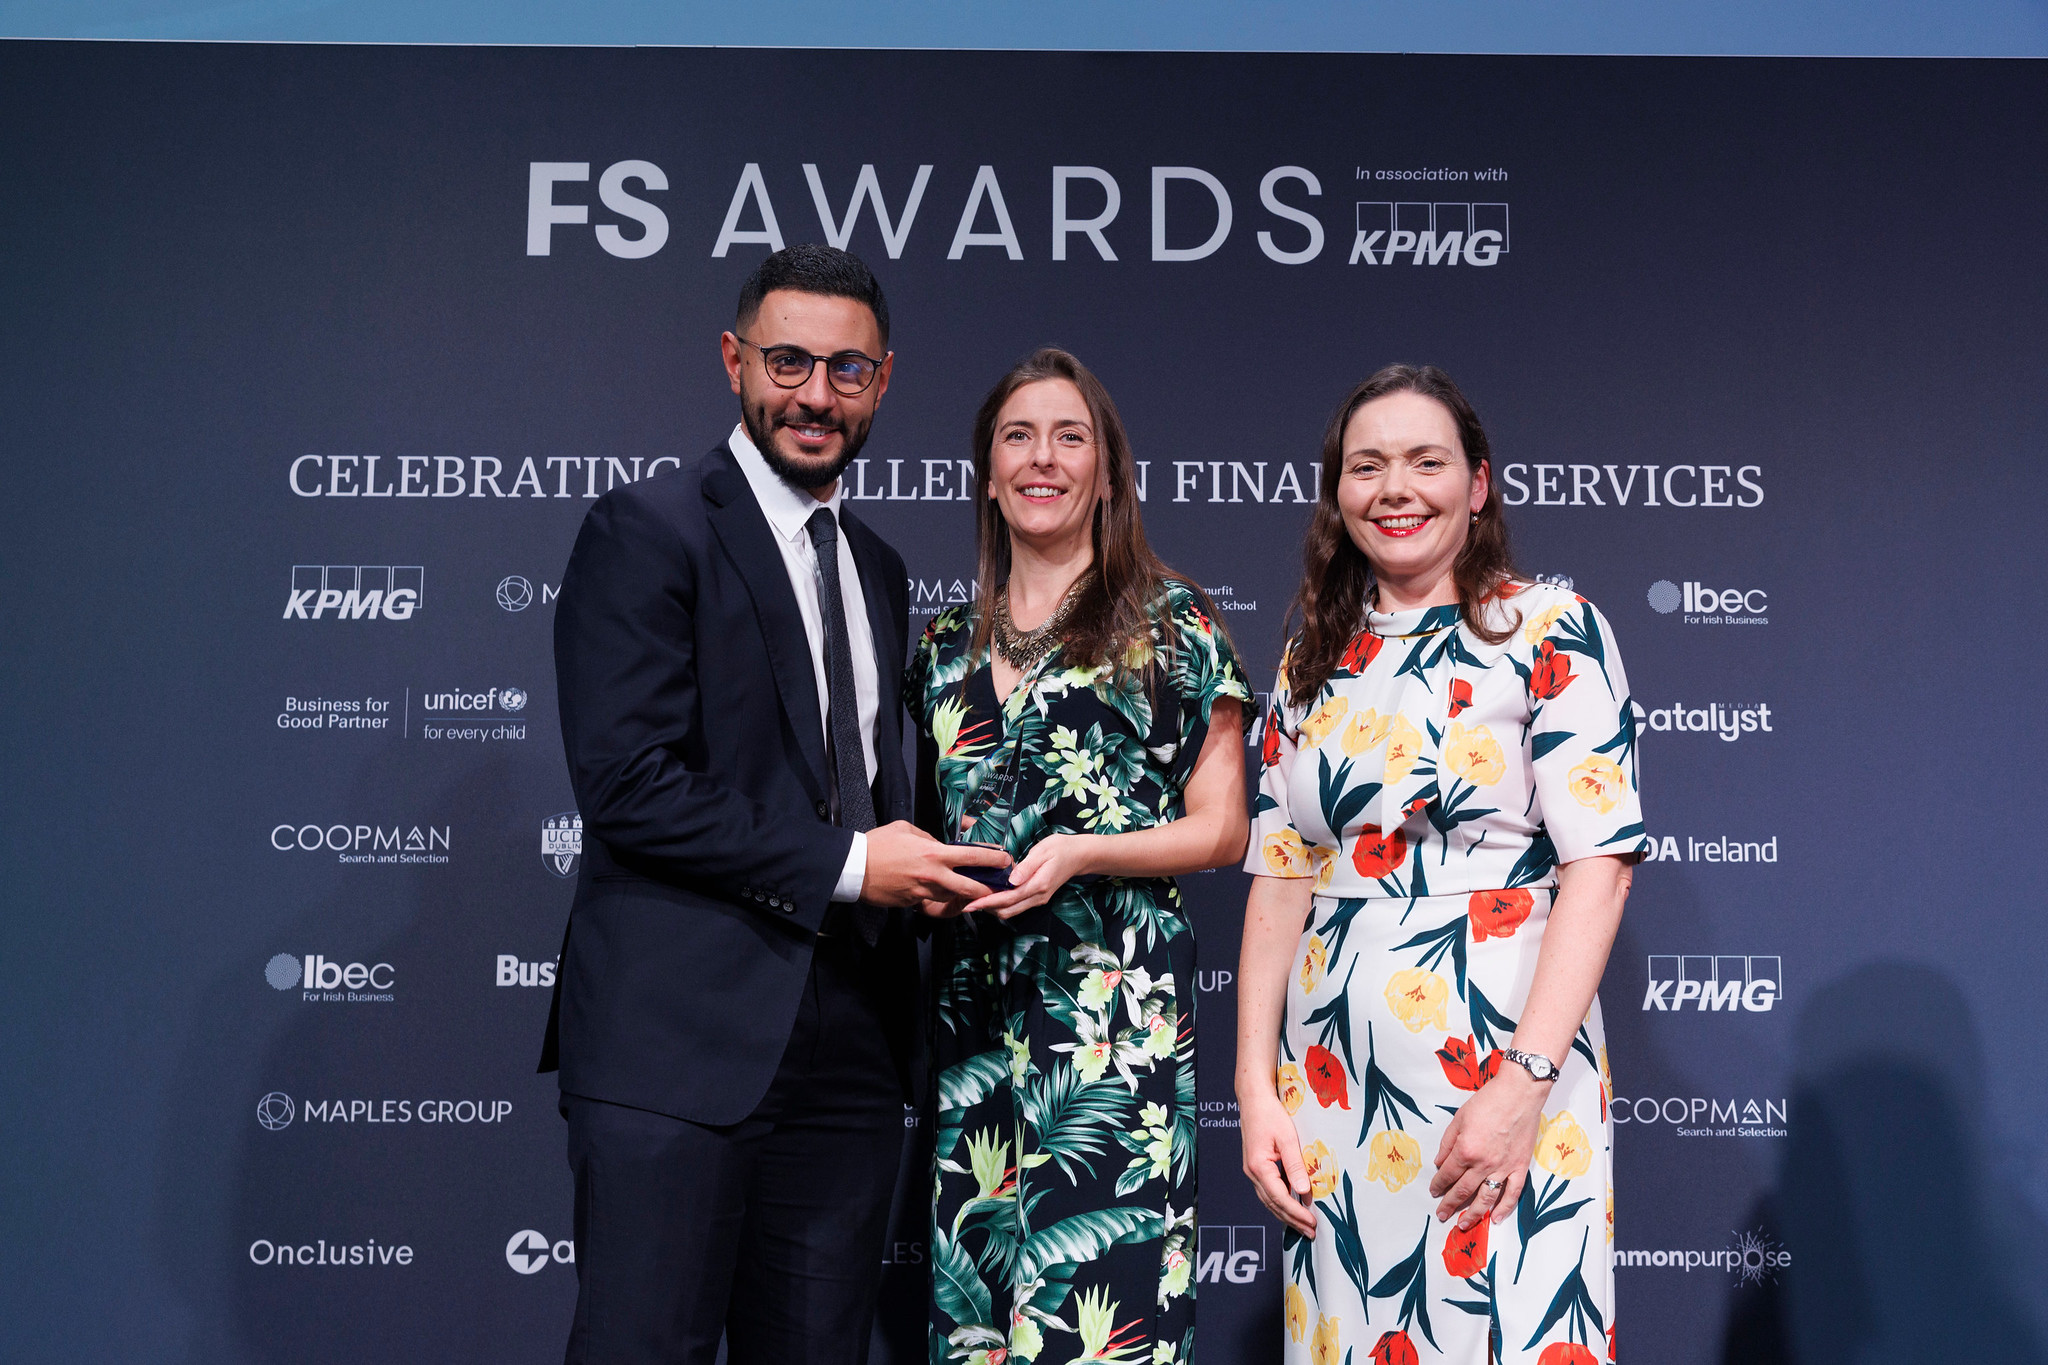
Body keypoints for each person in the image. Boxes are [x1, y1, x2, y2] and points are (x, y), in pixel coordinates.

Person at [541, 243, 1008, 1365]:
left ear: (883, 381)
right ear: (732, 360)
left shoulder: (880, 568)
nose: (814, 394)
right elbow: (627, 787)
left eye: (846, 371)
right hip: (677, 1048)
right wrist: (852, 865)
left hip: (849, 1048)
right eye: (787, 361)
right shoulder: (648, 529)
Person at [1235, 365, 1646, 1365]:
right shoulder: (1308, 661)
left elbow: (1601, 868)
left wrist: (1521, 1088)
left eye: (1425, 461)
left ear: (1478, 483)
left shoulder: (1551, 631)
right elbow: (1279, 879)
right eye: (1366, 465)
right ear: (1336, 494)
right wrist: (1254, 1091)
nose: (1395, 489)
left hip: (1500, 1074)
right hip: (1331, 1086)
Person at [906, 347, 1251, 1365]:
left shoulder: (1171, 622)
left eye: (1069, 437)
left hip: (1112, 1024)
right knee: (976, 1319)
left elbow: (1223, 828)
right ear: (985, 469)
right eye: (1018, 436)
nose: (1041, 458)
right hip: (973, 1016)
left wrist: (1085, 852)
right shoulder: (940, 645)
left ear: (1106, 471)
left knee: (1097, 1325)